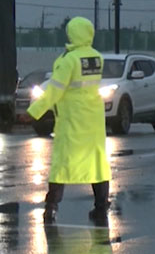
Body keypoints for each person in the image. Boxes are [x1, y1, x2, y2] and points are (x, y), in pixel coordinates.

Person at [27, 16, 111, 224]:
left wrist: (34, 111)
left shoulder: (69, 60)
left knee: (62, 163)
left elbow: (55, 90)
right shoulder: (96, 57)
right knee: (97, 162)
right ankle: (101, 205)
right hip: (93, 119)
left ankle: (51, 206)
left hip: (72, 119)